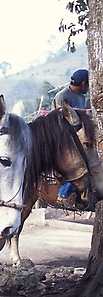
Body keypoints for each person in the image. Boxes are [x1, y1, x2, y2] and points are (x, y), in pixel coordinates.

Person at [53, 69, 89, 207]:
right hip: (65, 138)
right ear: (84, 83)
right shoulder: (62, 97)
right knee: (79, 164)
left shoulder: (81, 97)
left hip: (80, 135)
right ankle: (63, 195)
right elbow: (59, 121)